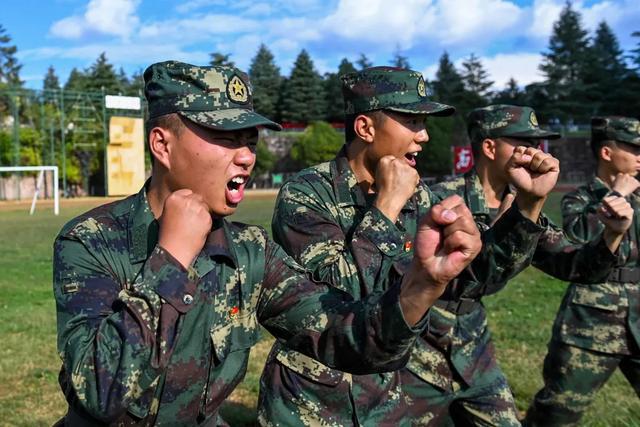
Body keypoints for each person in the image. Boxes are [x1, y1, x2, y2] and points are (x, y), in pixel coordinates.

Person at [52, 61, 484, 426]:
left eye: (250, 141)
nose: (245, 156)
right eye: (225, 137)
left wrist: (422, 286)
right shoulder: (91, 241)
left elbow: (341, 334)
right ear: (162, 145)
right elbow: (99, 392)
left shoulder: (250, 251)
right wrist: (171, 259)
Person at [257, 68, 560, 426]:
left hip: (389, 394)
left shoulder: (419, 197)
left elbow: (469, 283)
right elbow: (338, 300)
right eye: (412, 122)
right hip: (314, 398)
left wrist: (527, 206)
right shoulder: (307, 194)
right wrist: (386, 207)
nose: (424, 136)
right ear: (366, 129)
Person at [416, 105, 633, 426]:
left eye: (537, 144)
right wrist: (523, 211)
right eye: (524, 143)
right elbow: (470, 277)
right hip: (417, 344)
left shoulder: (526, 208)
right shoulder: (437, 200)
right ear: (489, 147)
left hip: (471, 346)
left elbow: (576, 267)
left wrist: (612, 236)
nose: (535, 152)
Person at [525, 116, 640, 426]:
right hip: (591, 322)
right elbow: (577, 245)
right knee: (557, 411)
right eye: (634, 149)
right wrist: (617, 197)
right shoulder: (581, 198)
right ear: (607, 152)